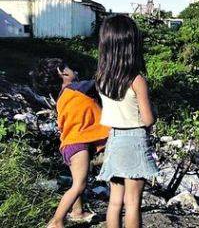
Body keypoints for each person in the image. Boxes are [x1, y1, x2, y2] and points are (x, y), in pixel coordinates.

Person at [95, 15, 159, 228]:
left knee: (115, 201)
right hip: (134, 140)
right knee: (132, 203)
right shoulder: (137, 80)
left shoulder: (101, 77)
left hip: (113, 139)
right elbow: (148, 119)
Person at [31, 58, 110, 228]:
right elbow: (100, 83)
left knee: (79, 180)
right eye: (69, 67)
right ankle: (57, 221)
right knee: (79, 184)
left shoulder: (61, 98)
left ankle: (77, 212)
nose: (73, 70)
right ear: (63, 73)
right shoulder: (76, 88)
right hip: (78, 143)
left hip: (70, 144)